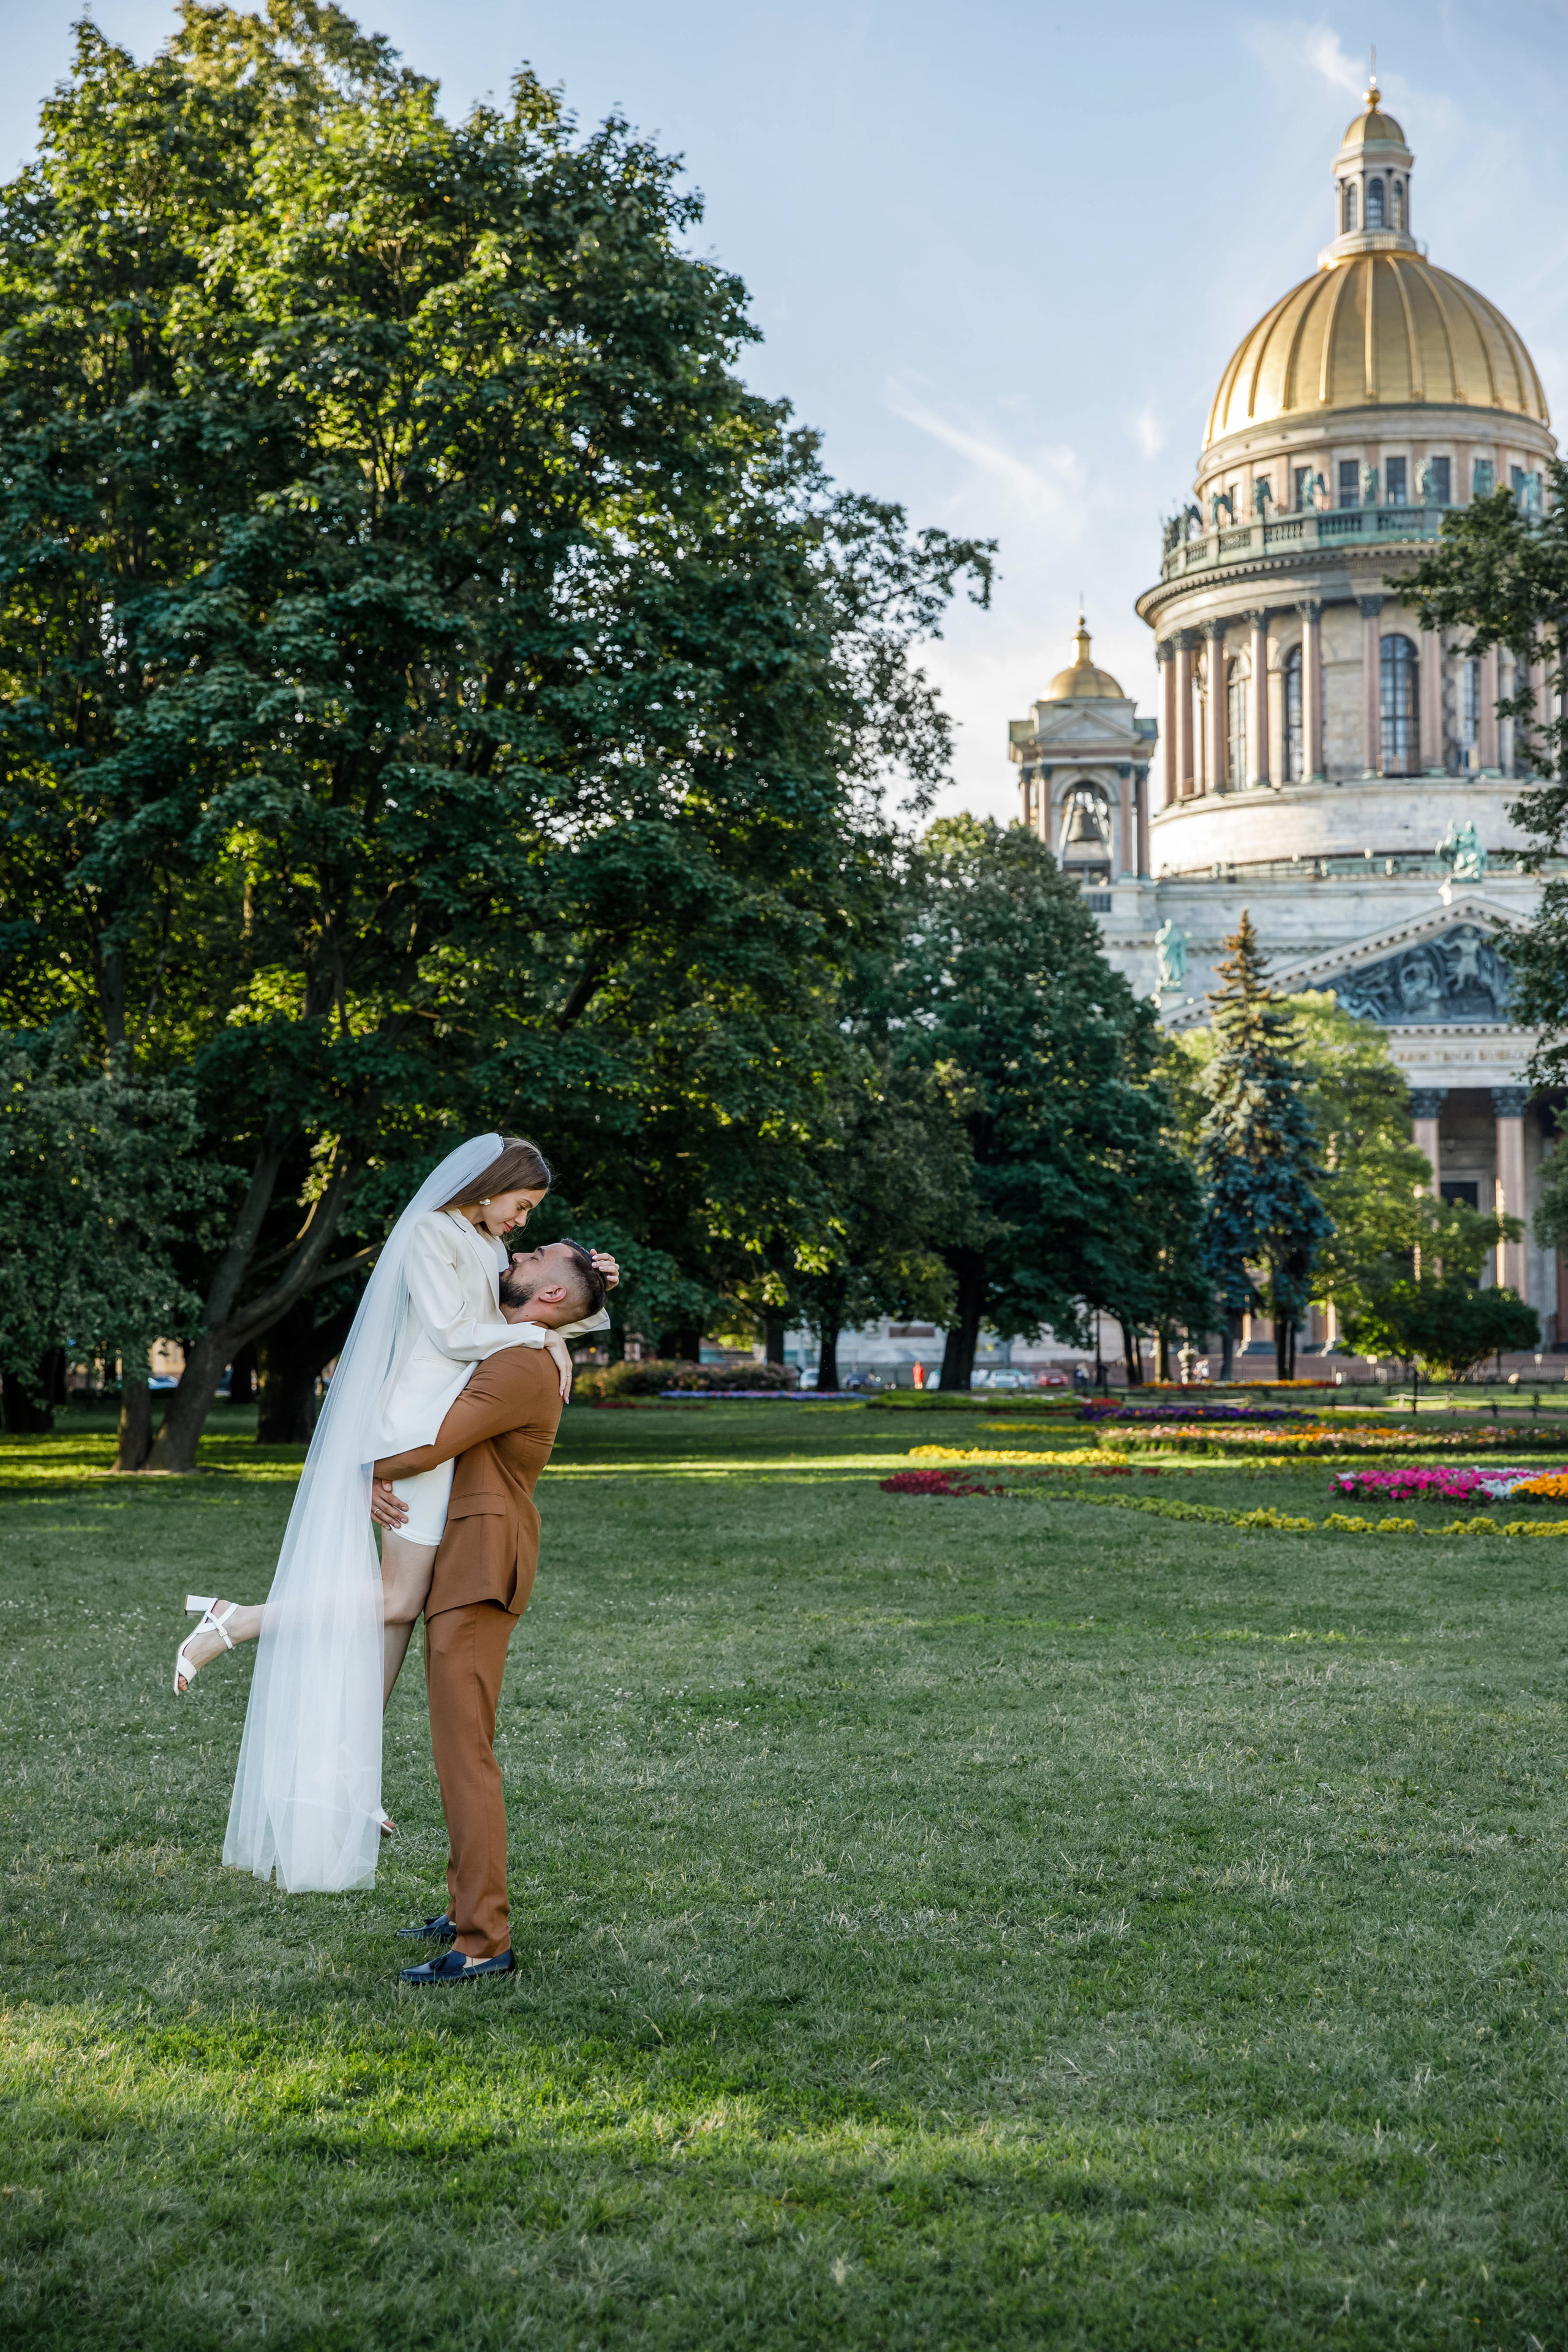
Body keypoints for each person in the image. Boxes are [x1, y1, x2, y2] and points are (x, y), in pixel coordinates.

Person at [173, 1132, 615, 1896]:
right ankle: (236, 1623)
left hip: (439, 1433)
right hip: (419, 1432)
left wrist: (574, 1317)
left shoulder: (476, 1241)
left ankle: (347, 1773)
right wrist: (547, 1334)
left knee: (396, 1614)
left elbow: (521, 1306)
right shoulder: (427, 1234)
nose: (522, 1224)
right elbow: (455, 1334)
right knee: (396, 1600)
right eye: (524, 1205)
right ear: (494, 1184)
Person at [368, 1310, 571, 1981]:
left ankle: (484, 1940)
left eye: (534, 1252)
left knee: (465, 1758)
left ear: (547, 1292)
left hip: (481, 1567)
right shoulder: (526, 1344)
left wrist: (356, 1471)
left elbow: (434, 1445)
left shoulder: (519, 1362)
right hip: (466, 1559)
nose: (520, 1248)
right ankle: (464, 1909)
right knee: (456, 1753)